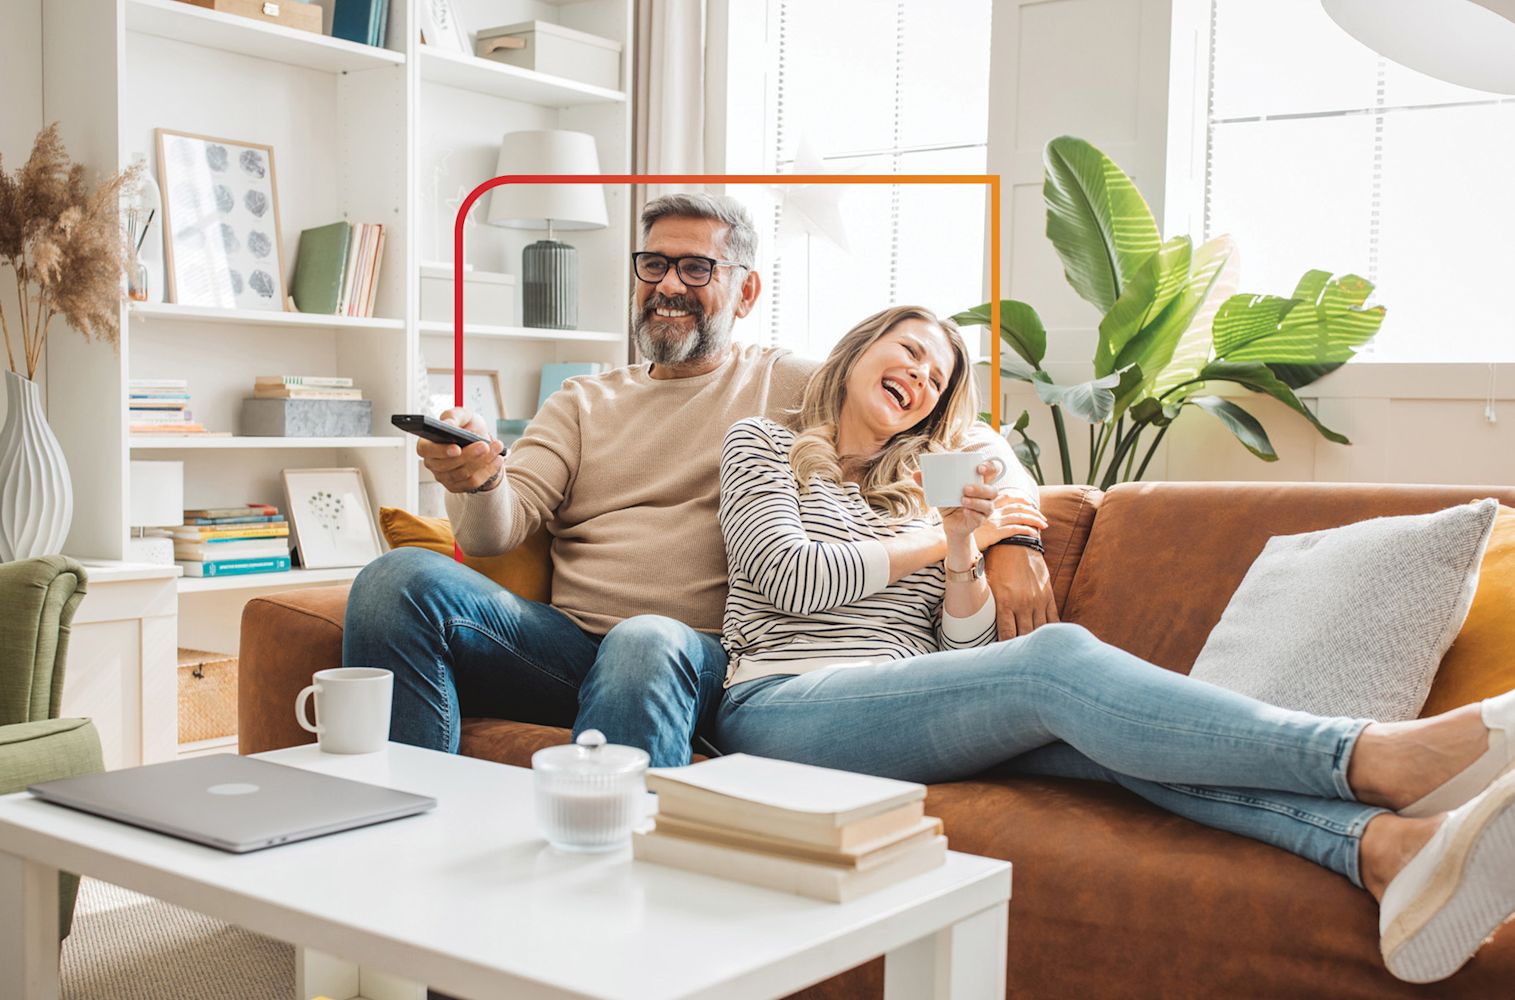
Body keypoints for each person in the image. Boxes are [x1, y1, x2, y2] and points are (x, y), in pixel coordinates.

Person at [710, 304, 1515, 983]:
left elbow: (958, 664)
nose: (920, 377)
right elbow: (792, 576)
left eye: (936, 377)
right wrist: (956, 538)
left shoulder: (929, 487)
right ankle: (1378, 757)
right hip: (779, 704)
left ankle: (1384, 848)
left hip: (896, 711)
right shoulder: (765, 446)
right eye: (909, 352)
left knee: (1112, 744)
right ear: (856, 351)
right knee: (1053, 659)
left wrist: (961, 552)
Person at [343, 194, 1052, 767]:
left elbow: (957, 428)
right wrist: (473, 477)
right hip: (567, 648)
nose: (668, 286)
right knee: (395, 579)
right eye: (653, 265)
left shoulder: (792, 383)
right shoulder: (582, 402)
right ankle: (398, 820)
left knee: (647, 638)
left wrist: (1015, 540)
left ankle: (613, 886)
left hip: (704, 654)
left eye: (695, 269)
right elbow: (499, 531)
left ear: (745, 292)